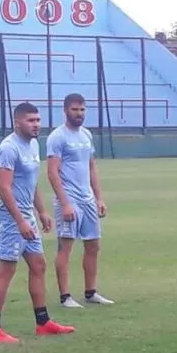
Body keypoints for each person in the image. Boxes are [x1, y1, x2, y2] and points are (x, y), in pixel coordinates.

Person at [0, 102, 76, 344]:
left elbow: (31, 182)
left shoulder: (34, 144)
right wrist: (20, 220)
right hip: (10, 216)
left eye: (38, 120)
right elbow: (4, 188)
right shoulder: (8, 148)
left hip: (27, 215)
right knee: (6, 269)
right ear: (17, 122)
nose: (36, 125)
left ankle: (43, 322)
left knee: (38, 265)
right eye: (31, 120)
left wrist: (42, 211)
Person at [46, 93, 114, 308]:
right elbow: (52, 172)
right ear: (66, 110)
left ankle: (90, 292)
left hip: (87, 199)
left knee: (93, 245)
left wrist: (99, 197)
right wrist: (65, 202)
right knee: (65, 246)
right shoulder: (58, 137)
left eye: (82, 109)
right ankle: (65, 296)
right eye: (75, 110)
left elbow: (91, 166)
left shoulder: (86, 135)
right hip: (69, 198)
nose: (79, 114)